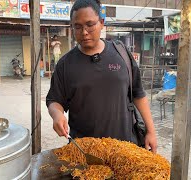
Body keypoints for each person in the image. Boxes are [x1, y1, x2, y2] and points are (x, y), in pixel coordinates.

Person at [46, 0, 157, 152]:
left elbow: (138, 93)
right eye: (77, 26)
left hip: (125, 148)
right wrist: (57, 115)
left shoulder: (121, 53)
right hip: (85, 152)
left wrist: (151, 131)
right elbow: (54, 100)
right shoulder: (65, 64)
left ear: (101, 23)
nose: (84, 32)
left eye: (90, 25)